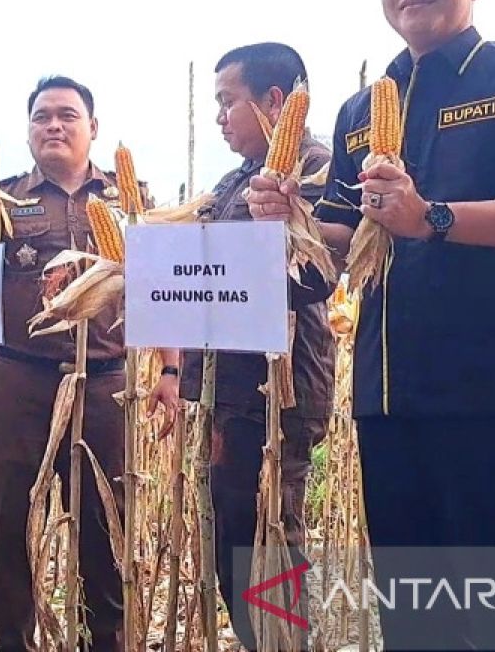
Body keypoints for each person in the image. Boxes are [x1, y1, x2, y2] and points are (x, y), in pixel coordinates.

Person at [247, 0, 495, 650]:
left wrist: (431, 217)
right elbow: (338, 250)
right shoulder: (355, 114)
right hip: (390, 402)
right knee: (417, 626)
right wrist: (290, 227)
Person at [0, 75, 180, 652]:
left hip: (106, 384)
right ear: (28, 130)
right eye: (41, 117)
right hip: (18, 378)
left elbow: (160, 290)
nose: (53, 125)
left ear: (92, 129)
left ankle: (102, 641)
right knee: (6, 523)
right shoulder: (0, 199)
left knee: (107, 528)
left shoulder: (133, 201)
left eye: (67, 115)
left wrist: (170, 371)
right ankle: (13, 641)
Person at [170, 45, 334, 645]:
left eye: (226, 101)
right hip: (228, 390)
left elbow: (316, 275)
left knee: (268, 540)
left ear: (272, 101)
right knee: (233, 537)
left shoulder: (315, 169)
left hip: (277, 392)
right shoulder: (234, 179)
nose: (219, 117)